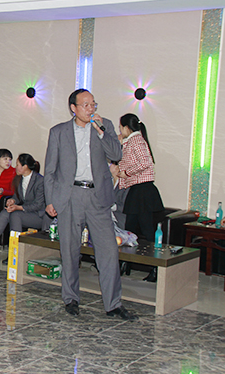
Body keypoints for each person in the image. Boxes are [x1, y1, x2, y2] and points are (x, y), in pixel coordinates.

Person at [44, 88, 136, 321]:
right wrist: (50, 200)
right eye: (85, 105)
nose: (91, 108)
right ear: (73, 108)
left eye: (93, 104)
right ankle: (71, 299)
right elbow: (50, 170)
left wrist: (102, 132)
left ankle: (113, 304)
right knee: (70, 251)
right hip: (70, 196)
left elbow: (116, 154)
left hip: (97, 197)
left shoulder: (105, 127)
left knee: (108, 252)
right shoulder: (58, 132)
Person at [0, 153, 46, 261]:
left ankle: (14, 252)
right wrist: (13, 200)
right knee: (5, 213)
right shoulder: (19, 179)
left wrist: (18, 208)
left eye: (18, 165)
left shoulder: (40, 181)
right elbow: (18, 197)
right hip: (25, 212)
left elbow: (38, 205)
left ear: (25, 166)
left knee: (15, 215)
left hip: (38, 216)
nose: (15, 167)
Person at [111, 113, 164, 245]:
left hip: (142, 190)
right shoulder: (131, 141)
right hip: (137, 190)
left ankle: (151, 253)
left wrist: (127, 173)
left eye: (120, 128)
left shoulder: (136, 140)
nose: (120, 131)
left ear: (126, 128)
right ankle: (130, 256)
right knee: (132, 226)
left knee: (144, 227)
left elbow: (145, 162)